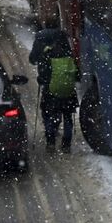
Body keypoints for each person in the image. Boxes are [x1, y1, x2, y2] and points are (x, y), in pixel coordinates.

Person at [29, 21, 77, 151]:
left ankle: (50, 141)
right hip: (67, 90)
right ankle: (66, 144)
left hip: (51, 89)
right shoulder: (65, 45)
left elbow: (34, 61)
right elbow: (76, 72)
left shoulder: (43, 46)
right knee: (67, 116)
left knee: (49, 113)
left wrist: (42, 79)